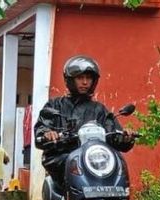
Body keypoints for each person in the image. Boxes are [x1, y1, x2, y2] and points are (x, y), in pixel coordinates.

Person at [34, 55, 137, 187]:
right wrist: (48, 134)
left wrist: (126, 138)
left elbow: (113, 134)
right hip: (62, 157)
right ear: (70, 80)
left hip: (95, 159)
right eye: (80, 78)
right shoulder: (54, 105)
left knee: (118, 162)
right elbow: (42, 129)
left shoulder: (99, 109)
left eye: (88, 78)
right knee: (73, 162)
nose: (85, 82)